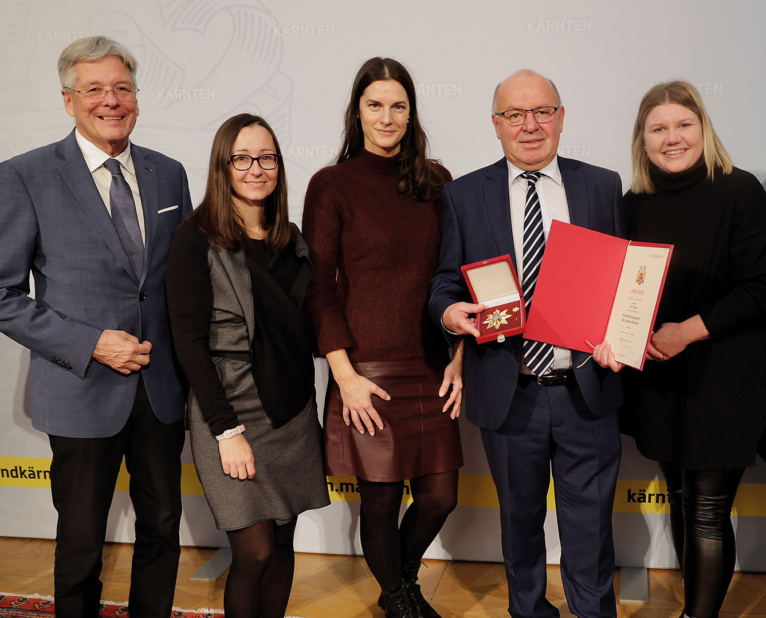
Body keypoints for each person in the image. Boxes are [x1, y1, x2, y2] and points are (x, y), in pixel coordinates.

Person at [0, 36, 190, 618]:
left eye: (122, 88)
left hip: (160, 391)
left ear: (137, 97)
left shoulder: (169, 173)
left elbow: (180, 283)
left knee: (162, 526)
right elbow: (3, 295)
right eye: (94, 89)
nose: (111, 100)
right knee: (81, 538)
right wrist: (91, 344)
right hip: (80, 389)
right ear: (68, 100)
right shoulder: (25, 175)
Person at [428, 69, 624, 618]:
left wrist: (623, 331)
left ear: (562, 118)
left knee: (590, 534)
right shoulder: (464, 195)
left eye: (542, 111)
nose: (529, 125)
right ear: (496, 125)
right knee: (519, 529)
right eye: (514, 114)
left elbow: (624, 280)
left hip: (588, 388)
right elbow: (445, 280)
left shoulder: (602, 186)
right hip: (509, 391)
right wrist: (449, 312)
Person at [593, 80, 766, 618]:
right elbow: (615, 290)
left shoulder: (738, 191)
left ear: (703, 129)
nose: (672, 138)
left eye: (683, 125)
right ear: (643, 139)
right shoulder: (632, 204)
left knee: (705, 510)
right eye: (659, 129)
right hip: (659, 382)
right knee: (681, 500)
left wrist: (689, 329)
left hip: (723, 381)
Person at [303, 57, 463, 618]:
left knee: (441, 495)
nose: (387, 116)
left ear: (411, 112)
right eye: (375, 105)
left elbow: (458, 277)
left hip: (430, 363)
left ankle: (401, 577)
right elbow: (319, 290)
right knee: (380, 500)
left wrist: (459, 359)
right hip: (364, 372)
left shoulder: (437, 181)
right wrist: (344, 378)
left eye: (398, 105)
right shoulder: (331, 185)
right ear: (358, 112)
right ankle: (399, 598)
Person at [166, 113, 330, 617]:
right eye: (242, 158)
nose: (256, 169)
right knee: (254, 553)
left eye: (267, 158)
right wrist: (226, 429)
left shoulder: (291, 240)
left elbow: (312, 323)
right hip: (230, 407)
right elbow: (189, 345)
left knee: (282, 544)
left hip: (292, 409)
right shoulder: (196, 237)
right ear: (223, 165)